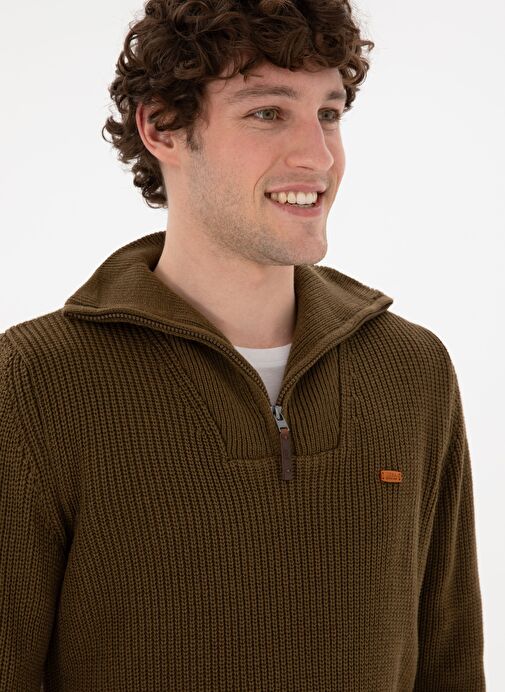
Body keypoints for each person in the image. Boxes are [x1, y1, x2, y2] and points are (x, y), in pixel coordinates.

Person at [0, 0, 486, 689]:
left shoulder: (410, 369)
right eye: (267, 112)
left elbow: (451, 665)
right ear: (162, 127)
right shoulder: (37, 380)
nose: (318, 156)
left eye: (329, 113)